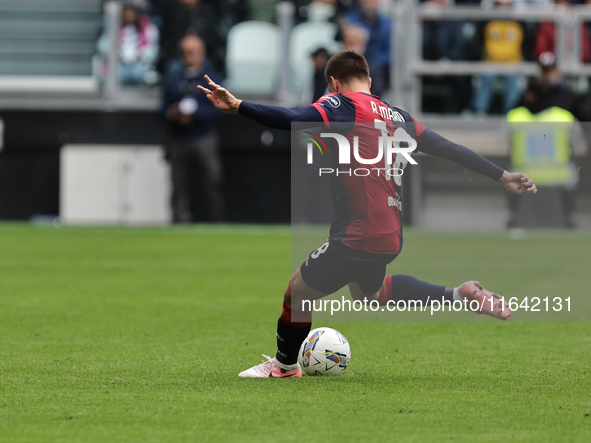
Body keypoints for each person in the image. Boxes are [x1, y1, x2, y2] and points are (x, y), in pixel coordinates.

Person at [198, 50, 537, 378]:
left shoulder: (344, 104)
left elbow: (293, 118)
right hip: (389, 231)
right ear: (369, 80)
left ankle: (284, 367)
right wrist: (503, 176)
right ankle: (457, 294)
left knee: (296, 293)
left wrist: (239, 106)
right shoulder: (398, 116)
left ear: (334, 83)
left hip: (358, 233)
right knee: (369, 294)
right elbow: (450, 149)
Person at [162, 35, 223, 223]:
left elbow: (219, 108)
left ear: (202, 53)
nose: (188, 55)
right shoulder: (174, 78)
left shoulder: (212, 78)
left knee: (211, 180)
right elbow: (162, 107)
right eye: (184, 52)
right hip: (178, 136)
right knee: (178, 183)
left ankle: (215, 221)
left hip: (203, 135)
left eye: (192, 51)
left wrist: (195, 115)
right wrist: (173, 113)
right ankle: (177, 221)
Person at [472, 0, 523, 114]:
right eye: (500, 5)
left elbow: (526, 44)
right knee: (486, 76)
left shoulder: (519, 23)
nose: (503, 9)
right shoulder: (487, 22)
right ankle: (480, 111)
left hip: (512, 63)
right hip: (490, 62)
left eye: (507, 5)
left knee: (513, 78)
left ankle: (512, 112)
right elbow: (478, 43)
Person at [97, 0, 160, 85]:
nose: (129, 15)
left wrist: (141, 55)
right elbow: (102, 45)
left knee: (141, 74)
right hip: (120, 64)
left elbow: (152, 49)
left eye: (131, 12)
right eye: (126, 12)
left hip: (139, 64)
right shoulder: (114, 28)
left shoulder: (148, 28)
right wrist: (115, 54)